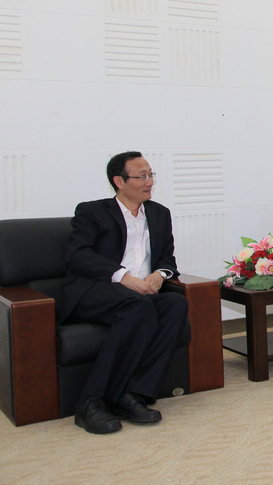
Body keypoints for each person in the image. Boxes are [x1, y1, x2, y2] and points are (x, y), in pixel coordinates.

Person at [60, 152, 189, 434]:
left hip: (139, 295)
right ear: (119, 181)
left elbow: (167, 259)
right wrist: (124, 277)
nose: (149, 182)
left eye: (151, 174)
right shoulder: (92, 212)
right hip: (95, 291)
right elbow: (78, 256)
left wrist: (159, 275)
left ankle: (131, 395)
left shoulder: (159, 214)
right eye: (141, 176)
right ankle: (89, 402)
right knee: (137, 305)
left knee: (175, 304)